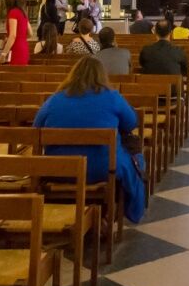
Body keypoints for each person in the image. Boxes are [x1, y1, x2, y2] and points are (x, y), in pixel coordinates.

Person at [33, 57, 147, 224]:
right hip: (101, 168)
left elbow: (36, 128)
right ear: (102, 76)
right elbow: (131, 122)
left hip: (60, 168)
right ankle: (114, 212)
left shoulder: (55, 99)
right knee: (135, 158)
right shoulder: (111, 97)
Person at [2, 0, 32, 66]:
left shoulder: (13, 13)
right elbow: (30, 33)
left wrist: (3, 54)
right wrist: (21, 38)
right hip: (24, 47)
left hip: (16, 49)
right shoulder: (23, 12)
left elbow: (13, 35)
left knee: (12, 75)